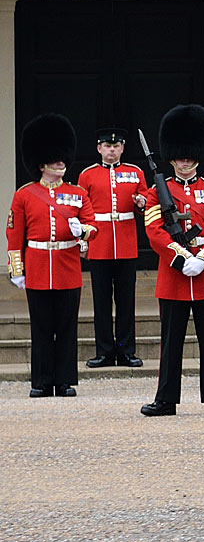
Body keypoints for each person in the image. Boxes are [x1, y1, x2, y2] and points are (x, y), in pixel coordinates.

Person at [140, 105, 204, 416]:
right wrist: (181, 257)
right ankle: (166, 399)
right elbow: (155, 231)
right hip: (174, 275)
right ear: (172, 157)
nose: (185, 162)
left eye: (189, 157)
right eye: (180, 157)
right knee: (171, 342)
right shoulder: (158, 193)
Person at [7, 114, 96, 398]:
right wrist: (16, 269)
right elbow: (14, 235)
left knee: (67, 327)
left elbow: (93, 227)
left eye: (62, 159)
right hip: (36, 266)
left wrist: (81, 230)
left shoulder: (77, 193)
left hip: (67, 266)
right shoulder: (24, 195)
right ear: (42, 163)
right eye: (55, 160)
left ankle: (65, 380)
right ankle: (42, 381)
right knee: (42, 327)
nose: (61, 163)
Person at [78, 127, 148, 369]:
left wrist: (141, 203)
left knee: (126, 301)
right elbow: (82, 213)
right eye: (108, 146)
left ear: (122, 148)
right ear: (99, 148)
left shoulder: (135, 172)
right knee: (102, 302)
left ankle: (126, 351)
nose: (112, 150)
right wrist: (83, 243)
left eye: (116, 146)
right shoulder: (87, 175)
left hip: (127, 243)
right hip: (99, 243)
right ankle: (105, 352)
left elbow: (144, 203)